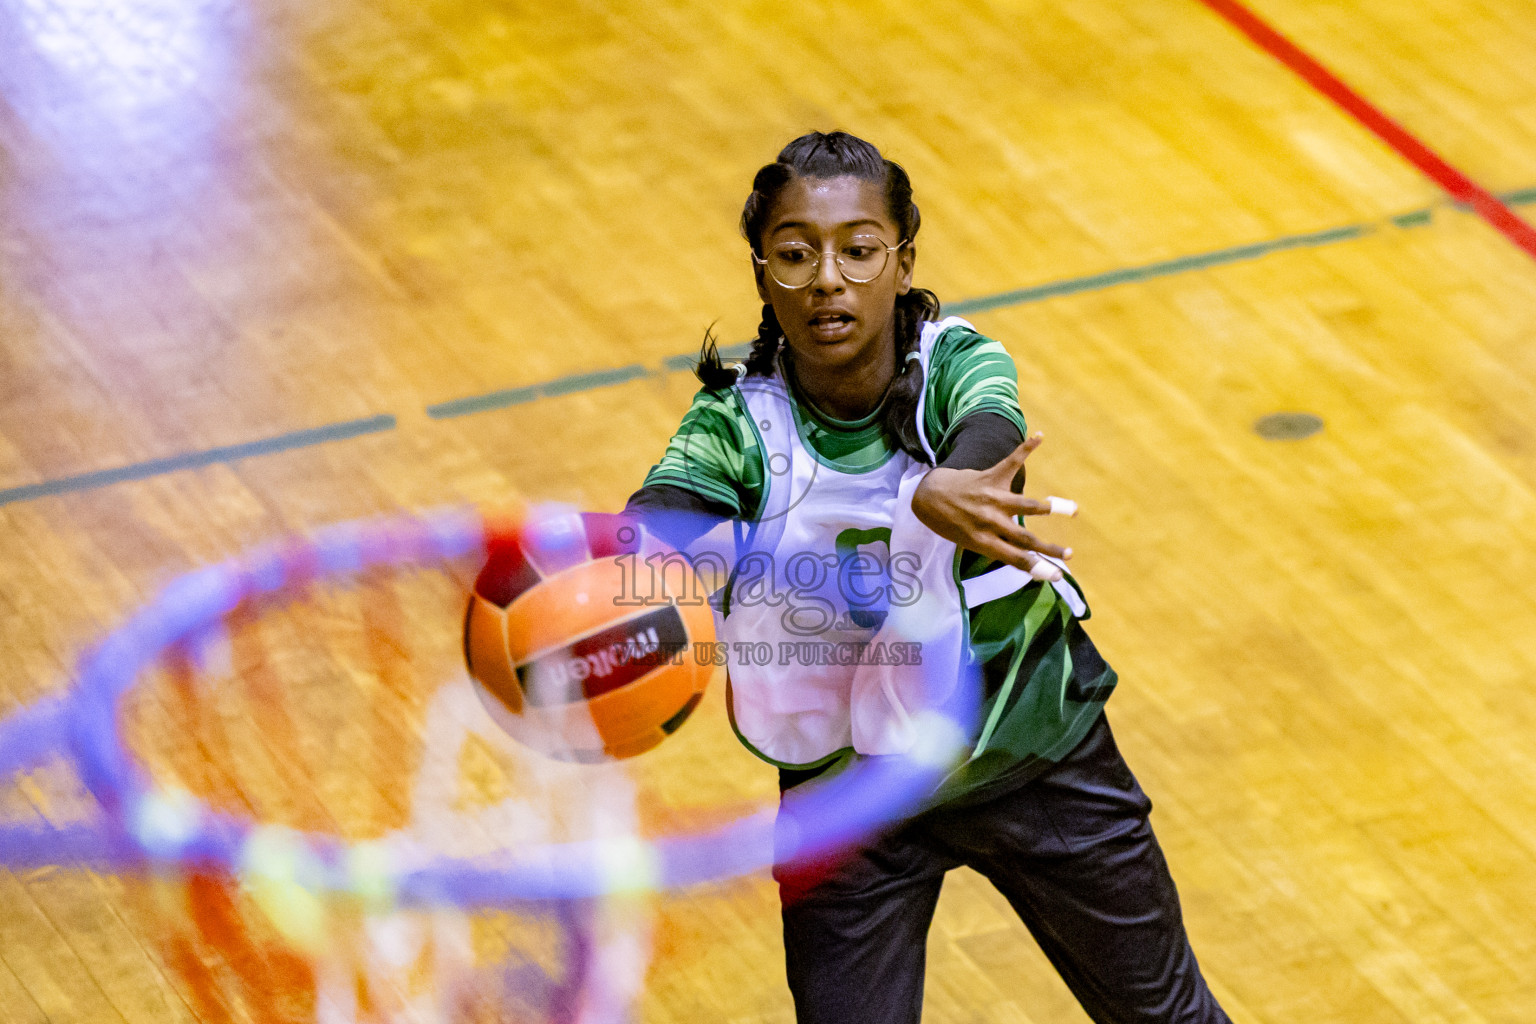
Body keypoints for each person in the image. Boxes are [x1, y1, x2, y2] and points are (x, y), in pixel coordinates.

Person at [624, 131, 1230, 1024]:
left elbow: (988, 428)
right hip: (846, 805)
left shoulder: (956, 363)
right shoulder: (732, 425)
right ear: (762, 276)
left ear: (901, 263)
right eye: (795, 255)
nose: (828, 277)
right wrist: (639, 559)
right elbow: (662, 506)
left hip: (1027, 752)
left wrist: (957, 481)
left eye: (858, 251)